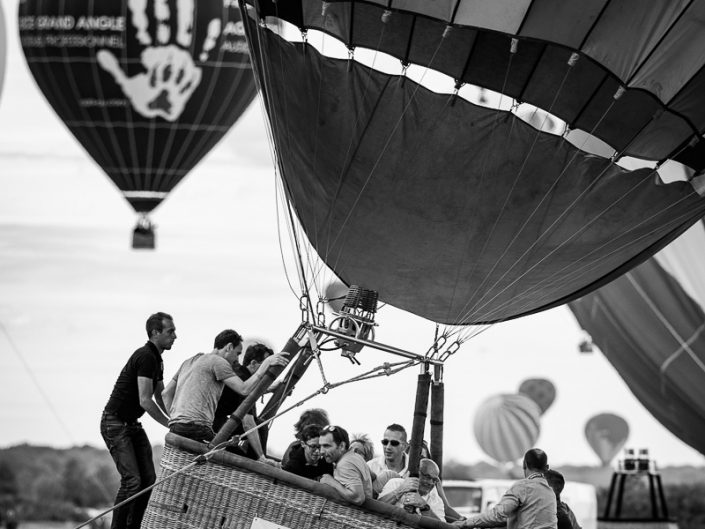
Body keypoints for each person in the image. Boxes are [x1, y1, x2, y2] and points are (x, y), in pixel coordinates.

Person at [101, 312, 175, 529]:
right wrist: (169, 424)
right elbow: (145, 400)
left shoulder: (157, 359)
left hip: (131, 425)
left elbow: (161, 396)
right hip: (114, 423)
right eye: (170, 331)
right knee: (133, 481)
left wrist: (177, 421)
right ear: (155, 333)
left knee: (148, 480)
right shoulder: (145, 356)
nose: (175, 336)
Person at [162, 329, 288, 455]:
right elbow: (244, 389)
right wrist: (266, 364)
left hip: (176, 427)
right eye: (237, 353)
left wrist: (175, 420)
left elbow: (166, 393)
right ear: (229, 347)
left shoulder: (190, 361)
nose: (237, 359)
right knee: (238, 456)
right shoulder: (219, 362)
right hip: (198, 428)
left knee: (234, 447)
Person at [453, 448, 557, 529]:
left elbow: (496, 515)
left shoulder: (522, 487)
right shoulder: (550, 492)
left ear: (524, 464)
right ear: (547, 468)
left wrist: (465, 524)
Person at [213, 343, 274, 459]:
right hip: (216, 427)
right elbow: (248, 423)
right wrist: (261, 457)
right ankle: (258, 462)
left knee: (240, 451)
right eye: (267, 366)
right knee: (260, 425)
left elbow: (237, 395)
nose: (268, 371)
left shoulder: (239, 373)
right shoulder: (244, 379)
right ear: (253, 364)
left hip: (216, 422)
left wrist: (270, 388)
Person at [318, 425, 373, 505]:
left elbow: (358, 498)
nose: (321, 451)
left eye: (326, 446)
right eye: (320, 446)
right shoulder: (355, 456)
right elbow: (373, 476)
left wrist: (332, 482)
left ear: (341, 446)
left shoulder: (344, 464)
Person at [379, 458, 445, 520]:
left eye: (434, 480)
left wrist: (424, 507)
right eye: (427, 477)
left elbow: (442, 526)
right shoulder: (395, 483)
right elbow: (377, 508)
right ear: (416, 473)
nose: (430, 482)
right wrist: (399, 491)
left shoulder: (436, 500)